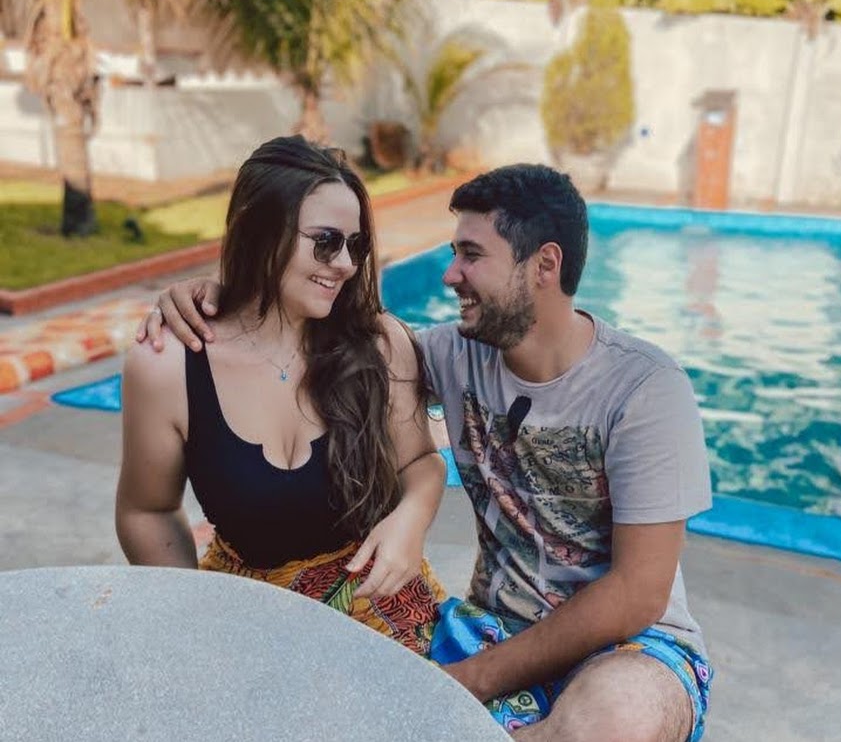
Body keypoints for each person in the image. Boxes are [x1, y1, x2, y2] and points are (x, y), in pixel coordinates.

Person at [139, 163, 714, 742]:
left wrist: (467, 681)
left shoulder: (645, 389)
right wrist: (220, 296)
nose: (449, 275)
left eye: (471, 255)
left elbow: (638, 594)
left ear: (544, 265)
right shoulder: (452, 354)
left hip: (631, 649)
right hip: (494, 627)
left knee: (610, 725)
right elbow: (321, 338)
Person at [118, 135, 446, 656]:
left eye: (356, 245)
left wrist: (410, 522)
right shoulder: (169, 365)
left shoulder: (379, 344)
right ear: (260, 230)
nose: (345, 264)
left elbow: (421, 463)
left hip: (380, 614)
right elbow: (147, 510)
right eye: (325, 241)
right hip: (246, 618)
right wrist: (192, 619)